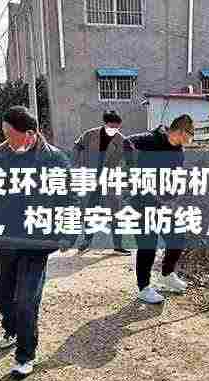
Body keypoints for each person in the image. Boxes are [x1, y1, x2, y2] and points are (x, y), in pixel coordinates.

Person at [0, 106, 74, 378]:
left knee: (25, 299)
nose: (6, 140)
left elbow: (70, 198)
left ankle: (25, 354)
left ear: (31, 134)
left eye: (11, 135)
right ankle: (11, 329)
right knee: (1, 293)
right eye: (5, 134)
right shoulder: (0, 155)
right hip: (7, 238)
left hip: (37, 241)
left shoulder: (54, 159)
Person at [128, 115, 194, 304]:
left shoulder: (179, 152)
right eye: (189, 136)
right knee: (148, 244)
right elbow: (125, 144)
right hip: (141, 203)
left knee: (177, 237)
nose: (189, 141)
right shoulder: (151, 139)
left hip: (163, 204)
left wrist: (174, 198)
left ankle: (167, 274)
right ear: (180, 132)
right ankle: (143, 288)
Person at [73, 110, 136, 256]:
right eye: (112, 126)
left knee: (115, 212)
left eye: (117, 127)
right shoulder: (90, 135)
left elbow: (131, 161)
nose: (115, 130)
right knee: (90, 210)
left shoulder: (122, 141)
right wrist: (75, 165)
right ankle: (86, 242)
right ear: (105, 124)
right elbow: (77, 147)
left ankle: (118, 246)